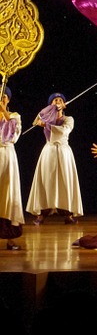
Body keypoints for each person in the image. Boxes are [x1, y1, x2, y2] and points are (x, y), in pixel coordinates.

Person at [26, 92, 83, 225]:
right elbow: (36, 120)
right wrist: (46, 115)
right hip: (49, 151)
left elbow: (63, 131)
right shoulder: (46, 118)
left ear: (64, 104)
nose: (57, 102)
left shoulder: (69, 119)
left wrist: (45, 125)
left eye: (60, 100)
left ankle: (68, 213)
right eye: (54, 100)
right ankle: (42, 213)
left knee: (65, 180)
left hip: (64, 152)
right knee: (46, 180)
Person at [0, 86, 25, 250]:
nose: (1, 99)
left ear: (8, 99)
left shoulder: (15, 116)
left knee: (8, 193)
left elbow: (12, 134)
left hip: (7, 155)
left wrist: (3, 111)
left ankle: (10, 238)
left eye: (3, 97)